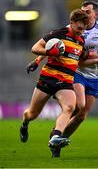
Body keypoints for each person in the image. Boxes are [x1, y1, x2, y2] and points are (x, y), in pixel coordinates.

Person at [26, 1, 98, 157]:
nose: (85, 14)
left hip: (89, 77)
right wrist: (38, 60)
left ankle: (57, 138)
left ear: (95, 14)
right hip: (70, 73)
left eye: (88, 11)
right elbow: (52, 46)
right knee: (74, 106)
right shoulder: (67, 30)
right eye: (82, 11)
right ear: (74, 21)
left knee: (80, 114)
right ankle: (40, 128)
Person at [20, 9, 92, 156]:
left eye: (83, 29)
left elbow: (79, 59)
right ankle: (25, 123)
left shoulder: (81, 40)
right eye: (78, 28)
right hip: (48, 78)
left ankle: (55, 137)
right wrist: (42, 57)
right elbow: (36, 48)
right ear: (71, 23)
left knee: (70, 107)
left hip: (65, 81)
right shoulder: (58, 34)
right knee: (32, 114)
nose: (80, 32)